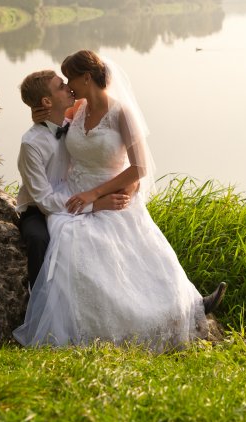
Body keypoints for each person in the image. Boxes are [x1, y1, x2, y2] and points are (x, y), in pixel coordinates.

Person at [13, 51, 226, 352]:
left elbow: (139, 167)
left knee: (144, 255)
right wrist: (39, 114)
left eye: (68, 80)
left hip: (106, 195)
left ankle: (188, 306)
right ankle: (105, 322)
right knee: (81, 253)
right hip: (76, 199)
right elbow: (49, 120)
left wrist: (106, 192)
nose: (67, 87)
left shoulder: (117, 112)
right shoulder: (75, 111)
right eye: (61, 85)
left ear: (85, 78)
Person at [14, 70, 132, 289]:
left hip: (77, 195)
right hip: (39, 209)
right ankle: (38, 301)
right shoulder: (31, 144)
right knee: (38, 239)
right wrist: (94, 204)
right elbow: (44, 200)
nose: (69, 87)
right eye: (61, 86)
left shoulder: (76, 124)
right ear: (47, 101)